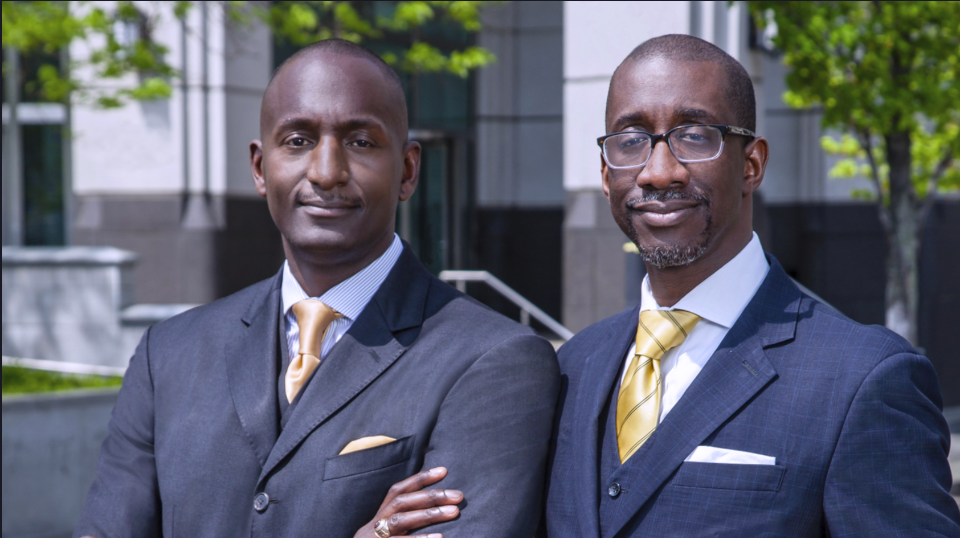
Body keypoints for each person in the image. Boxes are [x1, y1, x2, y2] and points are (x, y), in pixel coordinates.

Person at [74, 39, 560, 538]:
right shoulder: (167, 355)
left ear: (408, 170)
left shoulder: (495, 362)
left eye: (361, 142)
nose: (327, 172)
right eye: (298, 141)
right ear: (261, 169)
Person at [541, 34, 960, 537]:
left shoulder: (863, 380)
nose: (657, 172)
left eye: (694, 135)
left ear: (752, 163)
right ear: (606, 175)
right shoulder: (570, 369)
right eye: (630, 141)